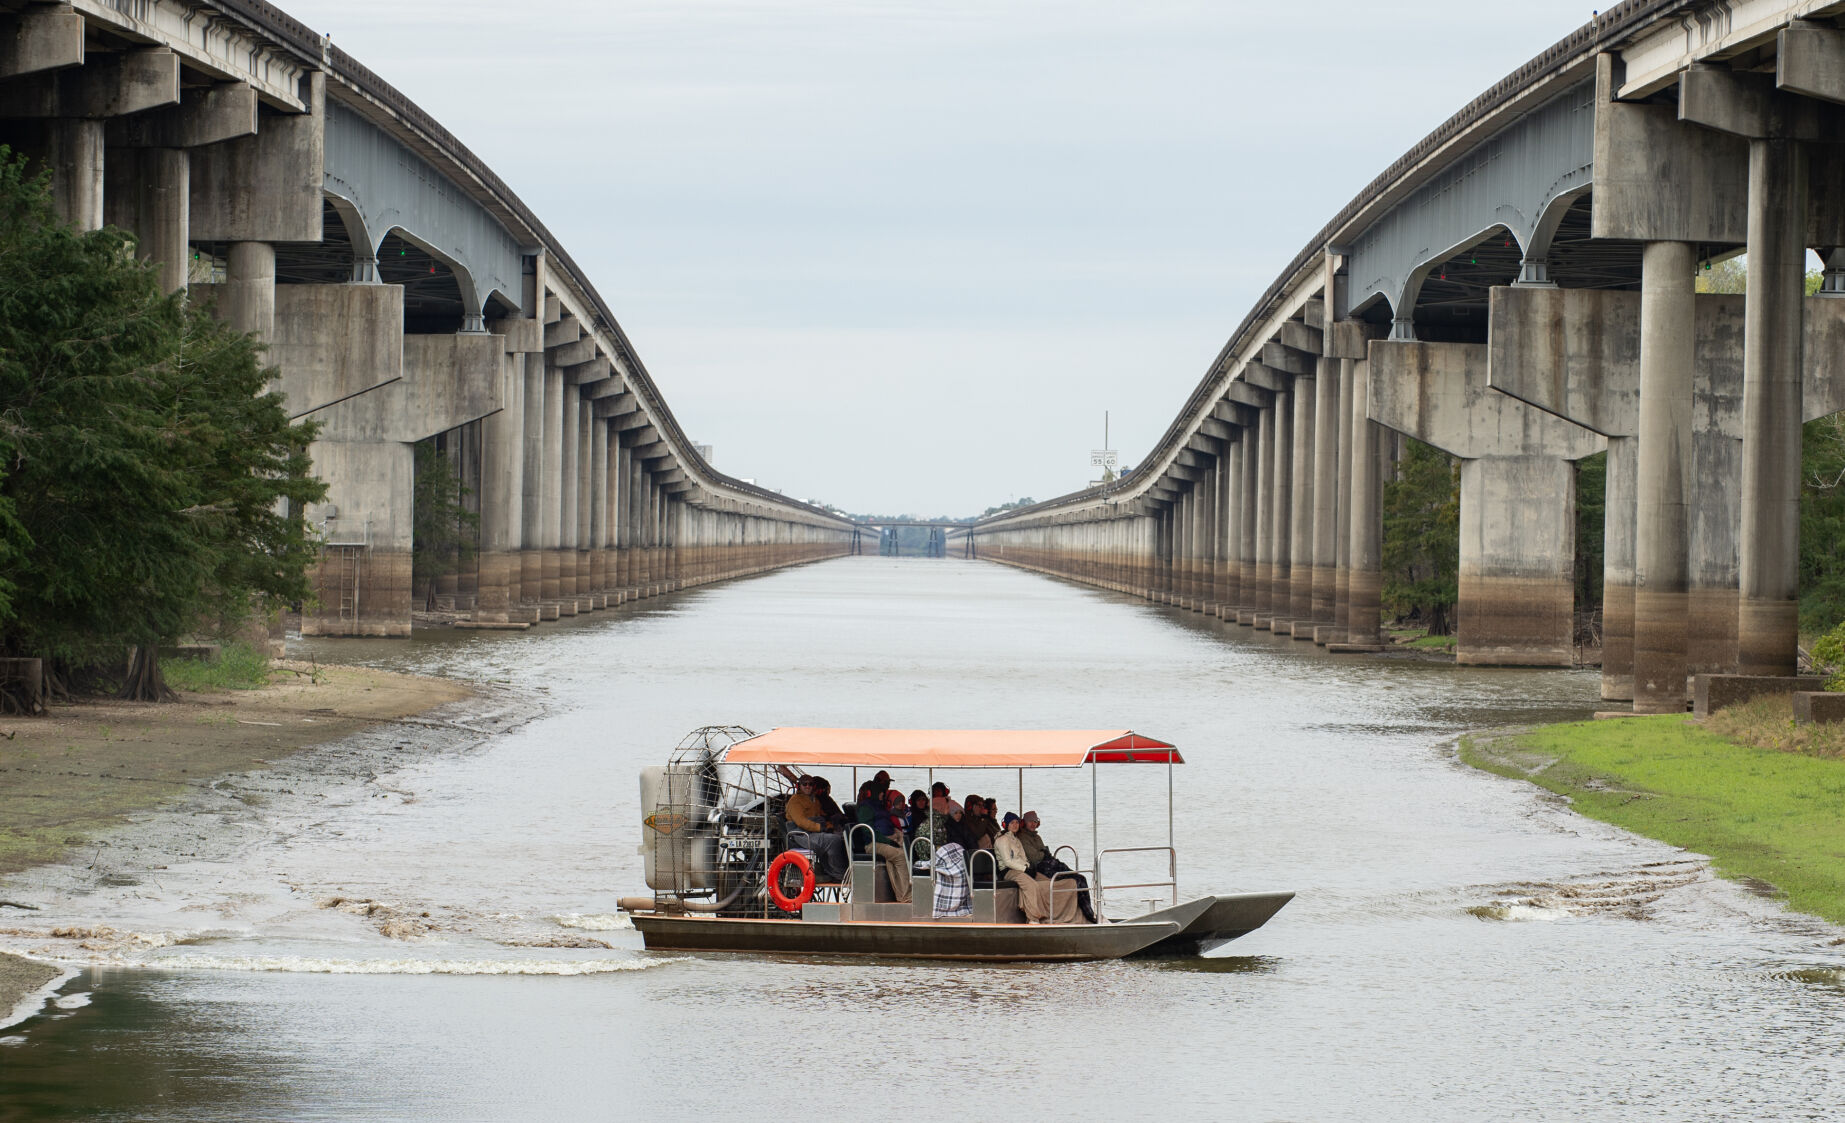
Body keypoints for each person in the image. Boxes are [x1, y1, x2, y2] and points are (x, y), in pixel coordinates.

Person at [995, 813, 1079, 924]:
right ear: (1005, 824)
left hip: (1022, 869)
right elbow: (1008, 862)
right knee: (1031, 885)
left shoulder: (1016, 840)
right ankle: (1033, 918)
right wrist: (1025, 870)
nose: (1015, 825)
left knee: (1050, 883)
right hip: (1008, 871)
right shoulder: (1002, 840)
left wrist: (1029, 868)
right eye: (1012, 823)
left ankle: (1054, 915)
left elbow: (1024, 858)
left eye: (1016, 822)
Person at [1019, 811, 1095, 923]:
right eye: (1030, 821)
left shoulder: (1037, 837)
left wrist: (1043, 853)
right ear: (1024, 823)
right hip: (1040, 867)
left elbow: (1043, 853)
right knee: (1076, 881)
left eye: (1035, 821)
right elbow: (1034, 857)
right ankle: (1089, 915)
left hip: (1050, 863)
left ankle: (1088, 913)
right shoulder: (1023, 838)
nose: (1033, 824)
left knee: (1080, 878)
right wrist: (1044, 852)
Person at [855, 780, 912, 903]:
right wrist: (887, 840)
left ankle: (900, 895)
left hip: (887, 839)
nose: (883, 794)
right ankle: (907, 896)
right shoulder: (866, 807)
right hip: (873, 843)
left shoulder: (879, 805)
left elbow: (887, 823)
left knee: (903, 853)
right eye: (881, 792)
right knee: (900, 856)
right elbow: (867, 830)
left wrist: (897, 834)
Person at [784, 775, 847, 883]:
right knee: (833, 840)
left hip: (812, 832)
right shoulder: (795, 801)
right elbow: (801, 822)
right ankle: (839, 874)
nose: (808, 786)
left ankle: (830, 871)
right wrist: (820, 828)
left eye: (811, 784)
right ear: (799, 786)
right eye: (805, 784)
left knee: (840, 836)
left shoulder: (814, 800)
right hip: (801, 835)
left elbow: (820, 815)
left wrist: (829, 825)